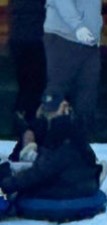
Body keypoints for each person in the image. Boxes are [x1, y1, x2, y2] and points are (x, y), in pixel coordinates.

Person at [0, 94, 100, 202]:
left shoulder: (61, 134)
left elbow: (40, 172)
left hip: (68, 189)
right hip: (79, 182)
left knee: (11, 175)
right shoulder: (70, 128)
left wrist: (5, 186)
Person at [42, 0, 101, 135]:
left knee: (87, 96)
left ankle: (81, 147)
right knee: (55, 94)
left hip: (88, 41)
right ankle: (47, 146)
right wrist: (77, 25)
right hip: (62, 36)